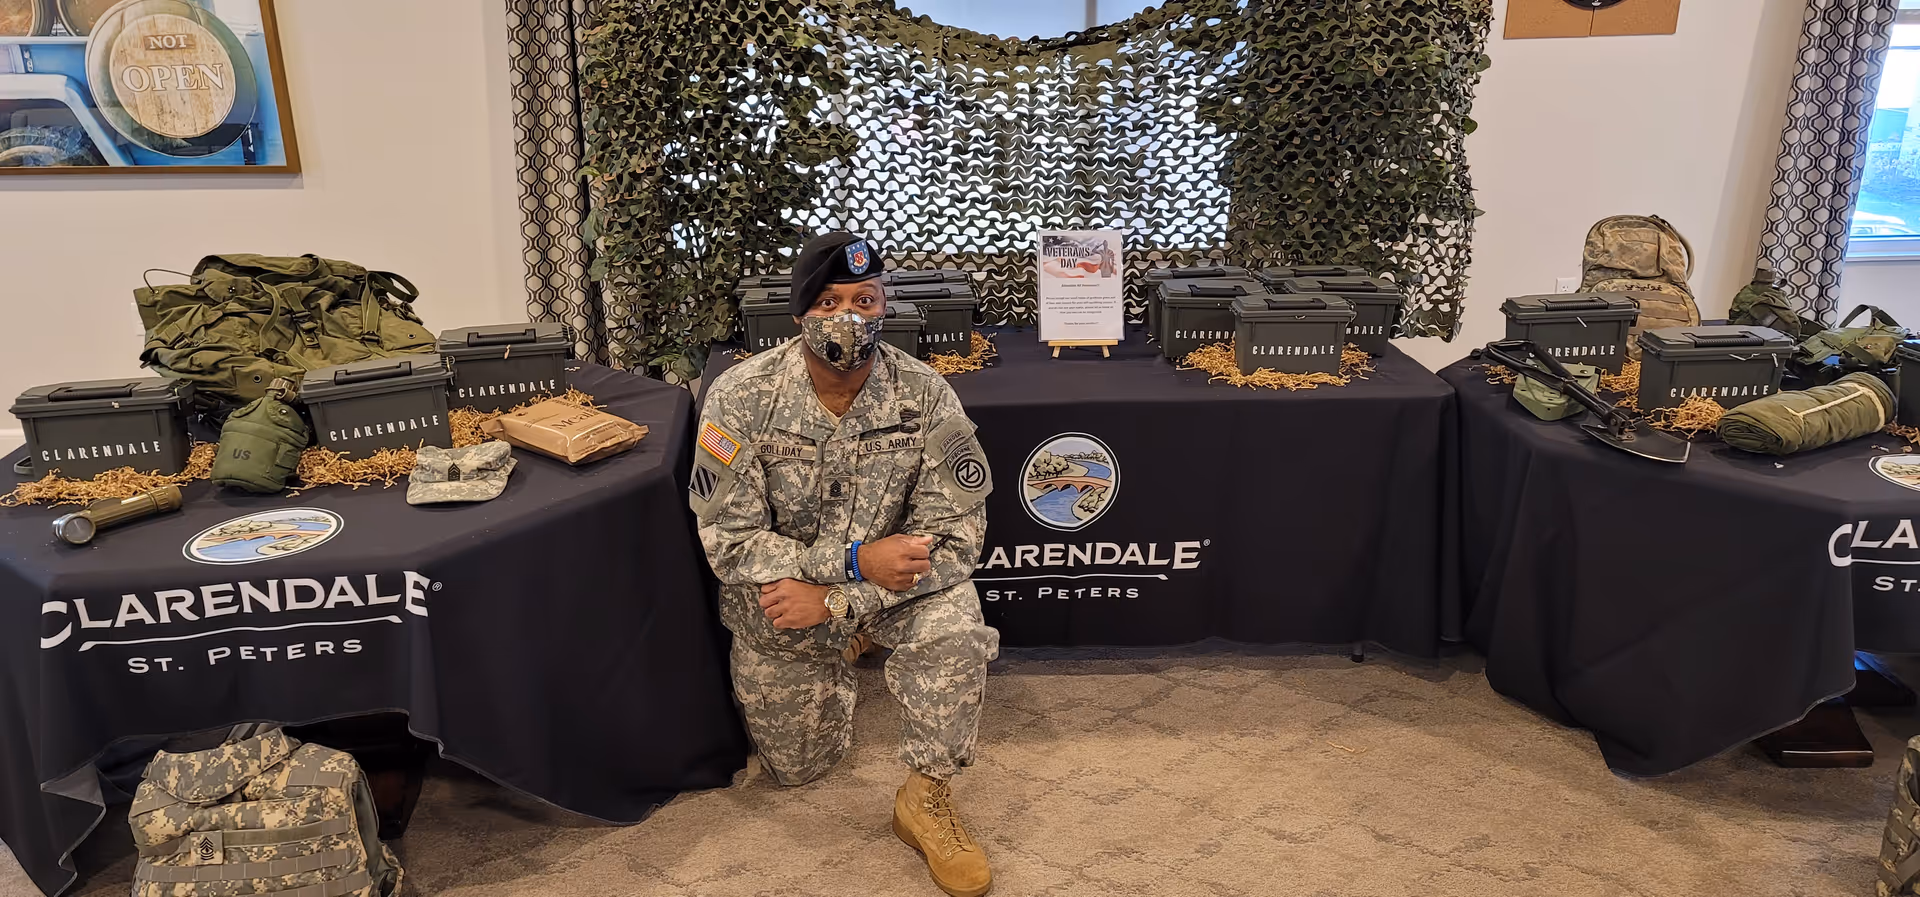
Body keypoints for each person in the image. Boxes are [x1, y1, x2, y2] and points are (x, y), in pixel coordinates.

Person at [690, 232, 999, 897]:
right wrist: (855, 560)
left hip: (883, 591)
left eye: (864, 297)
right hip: (782, 601)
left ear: (885, 303)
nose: (848, 317)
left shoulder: (926, 393)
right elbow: (730, 542)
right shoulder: (741, 395)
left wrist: (842, 598)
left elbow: (959, 536)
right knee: (800, 768)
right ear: (800, 312)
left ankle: (924, 798)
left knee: (956, 626)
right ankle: (838, 659)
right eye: (829, 301)